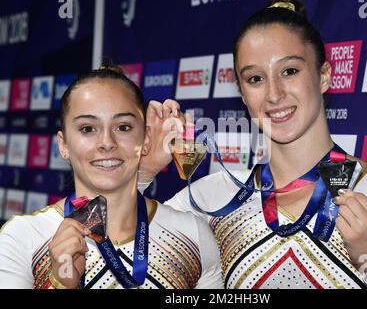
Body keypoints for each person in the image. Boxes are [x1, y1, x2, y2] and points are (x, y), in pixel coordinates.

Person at [143, 0, 367, 289]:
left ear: (324, 76)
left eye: (290, 71)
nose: (274, 94)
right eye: (255, 78)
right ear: (242, 93)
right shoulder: (213, 198)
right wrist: (142, 174)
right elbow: (112, 262)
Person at [0, 61, 223, 289]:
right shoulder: (23, 238)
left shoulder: (192, 235)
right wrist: (59, 284)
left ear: (145, 139)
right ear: (63, 144)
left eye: (123, 127)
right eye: (87, 128)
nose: (107, 143)